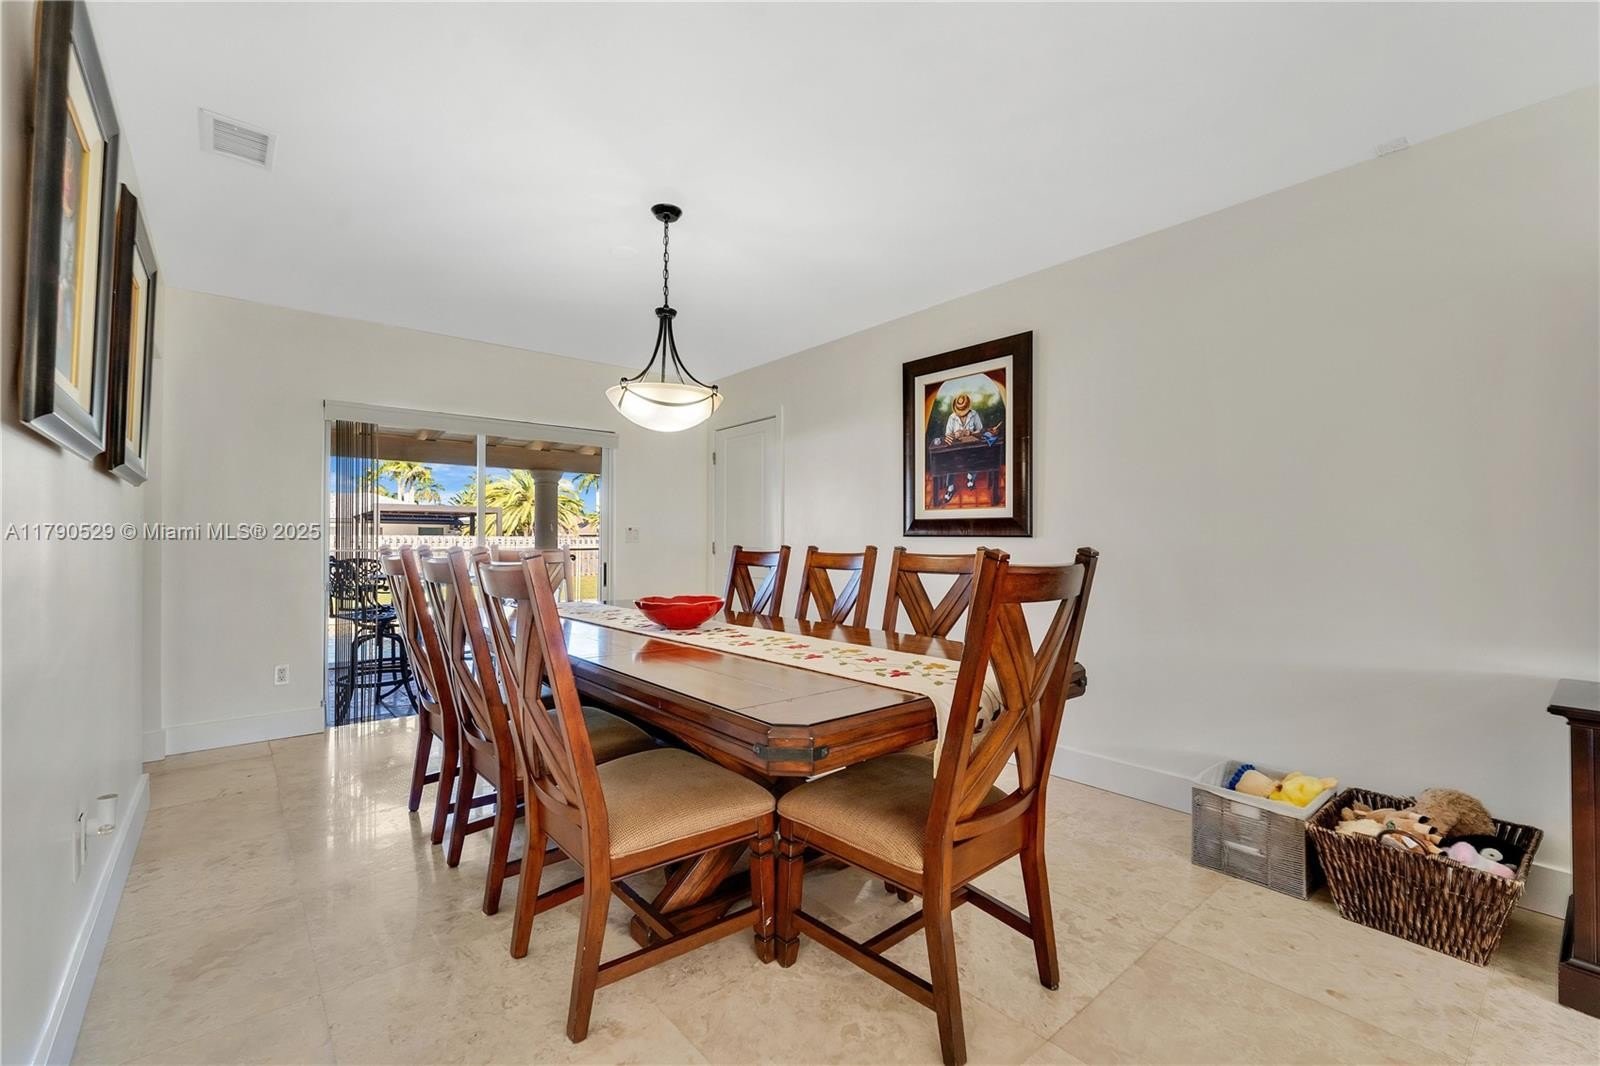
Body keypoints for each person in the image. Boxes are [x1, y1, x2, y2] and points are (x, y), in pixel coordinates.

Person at [939, 393, 984, 503]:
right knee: (950, 462)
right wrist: (955, 435)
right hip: (956, 449)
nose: (962, 414)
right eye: (959, 410)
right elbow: (947, 434)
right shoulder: (952, 417)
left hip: (971, 447)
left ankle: (971, 477)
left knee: (976, 457)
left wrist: (971, 432)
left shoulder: (974, 414)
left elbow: (980, 430)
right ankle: (950, 487)